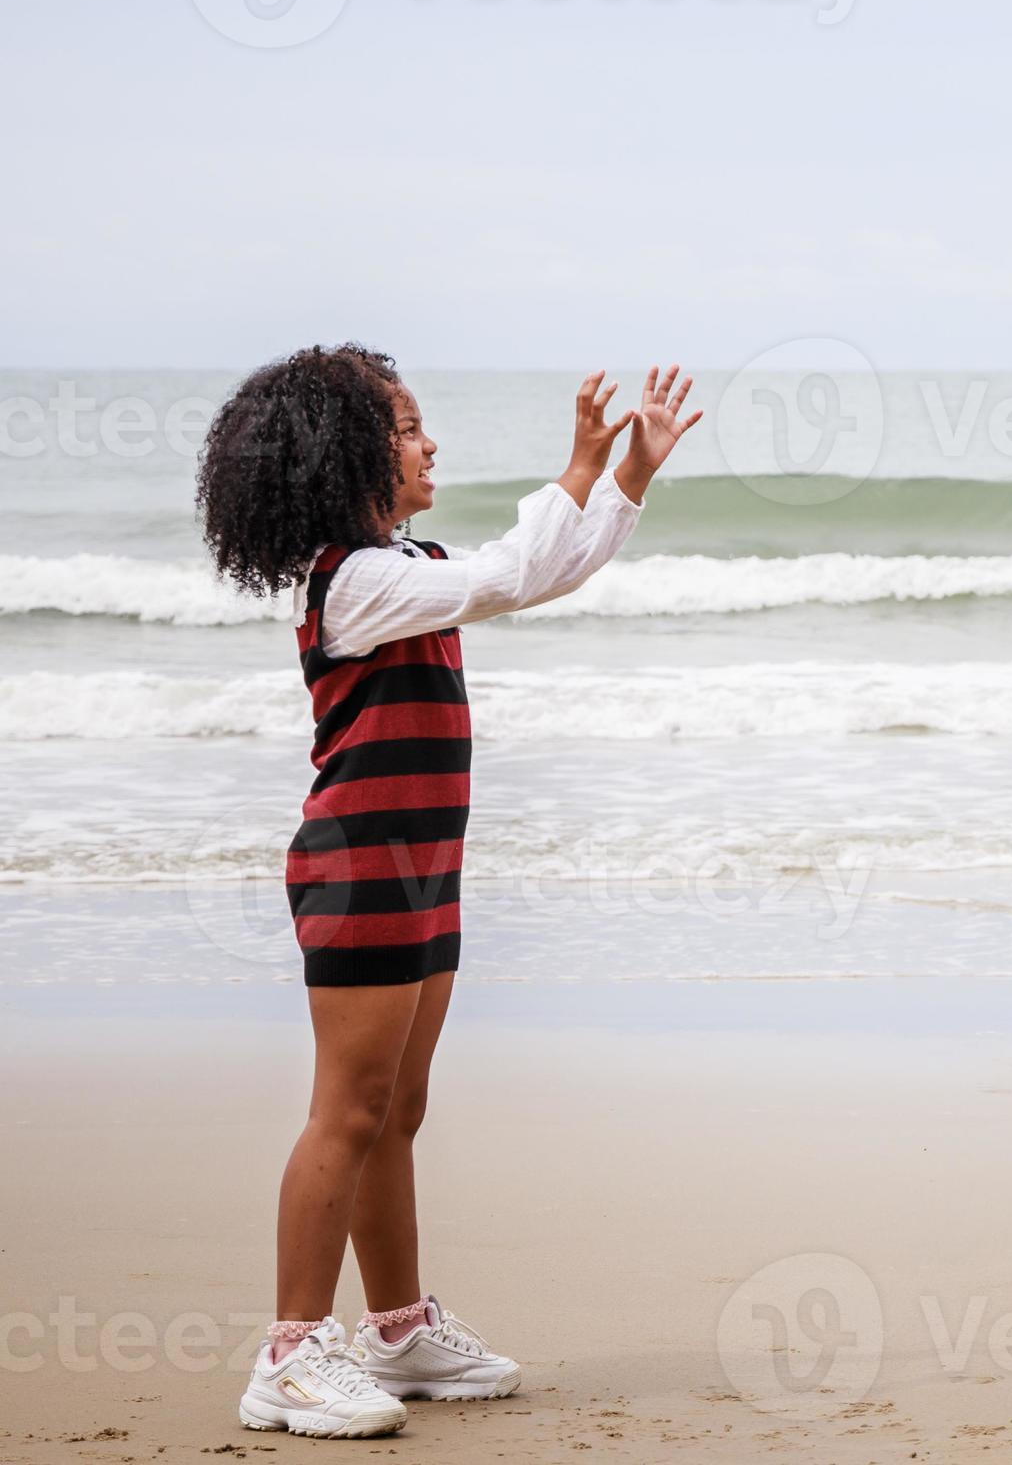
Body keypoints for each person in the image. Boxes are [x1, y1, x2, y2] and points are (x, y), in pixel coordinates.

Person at [195, 349, 699, 1437]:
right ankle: (287, 1353)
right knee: (350, 1109)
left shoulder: (405, 560)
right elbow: (513, 573)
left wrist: (628, 479)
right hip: (361, 863)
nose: (431, 444)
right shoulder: (353, 580)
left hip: (423, 862)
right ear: (347, 455)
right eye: (411, 427)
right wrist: (577, 467)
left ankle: (397, 1329)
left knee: (399, 1111)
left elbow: (545, 573)